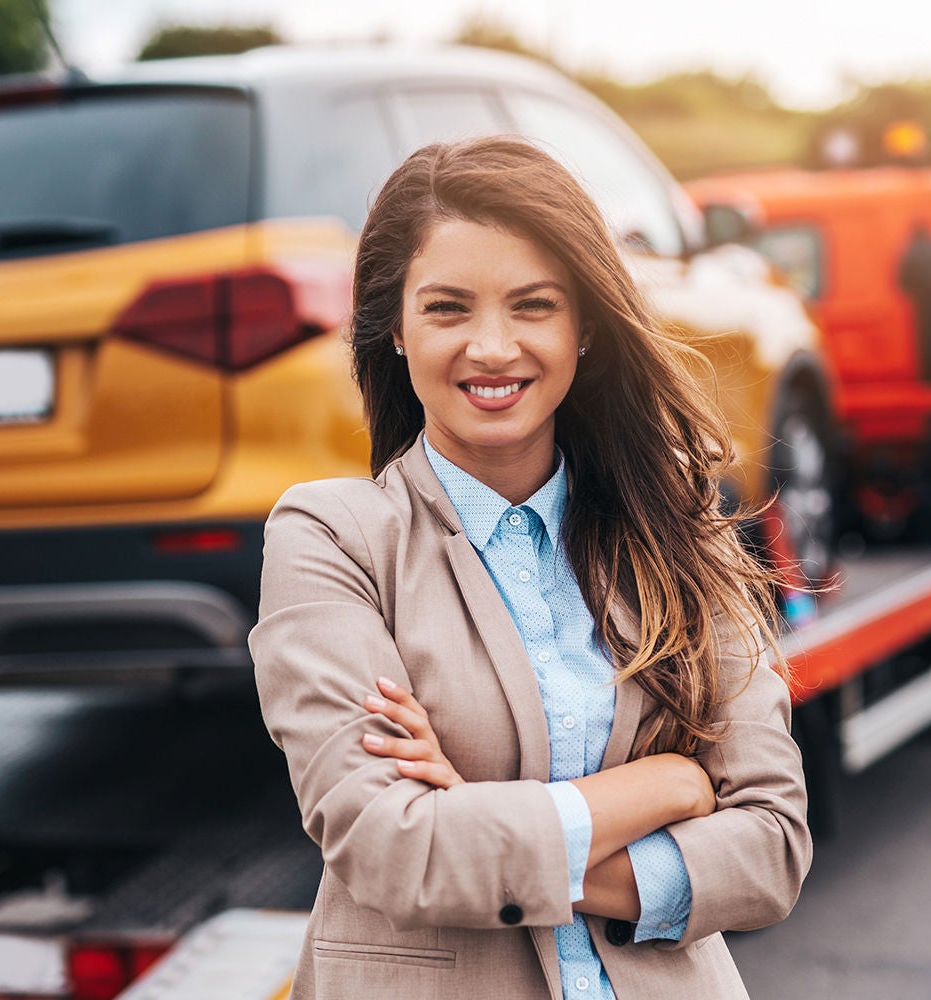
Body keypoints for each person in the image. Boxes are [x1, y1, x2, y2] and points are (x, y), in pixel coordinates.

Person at [250, 135, 811, 1000]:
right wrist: (665, 786)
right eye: (447, 308)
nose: (492, 346)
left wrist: (478, 826)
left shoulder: (679, 530)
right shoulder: (332, 538)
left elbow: (772, 846)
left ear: (583, 324)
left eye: (532, 305)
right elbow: (392, 848)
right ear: (394, 329)